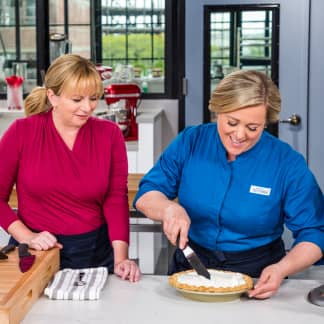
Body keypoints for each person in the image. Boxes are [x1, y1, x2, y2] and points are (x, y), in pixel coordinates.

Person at [134, 69, 324, 298]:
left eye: (253, 128)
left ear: (266, 123)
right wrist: (169, 209)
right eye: (232, 122)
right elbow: (147, 194)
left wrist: (281, 268)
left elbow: (314, 233)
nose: (240, 135)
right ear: (218, 110)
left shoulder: (287, 164)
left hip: (257, 274)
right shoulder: (191, 141)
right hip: (191, 267)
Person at [0, 54, 140, 282]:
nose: (87, 108)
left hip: (95, 253)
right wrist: (27, 236)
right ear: (52, 97)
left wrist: (121, 258)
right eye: (77, 100)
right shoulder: (21, 132)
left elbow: (115, 198)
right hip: (36, 253)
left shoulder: (110, 134)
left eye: (93, 98)